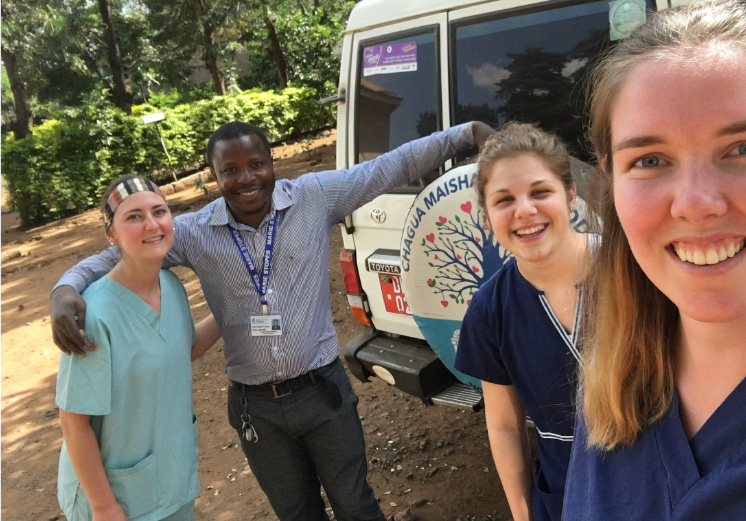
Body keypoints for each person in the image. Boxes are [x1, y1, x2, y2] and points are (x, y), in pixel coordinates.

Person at [51, 121, 494, 521]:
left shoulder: (315, 197)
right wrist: (65, 290)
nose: (246, 178)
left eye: (256, 164)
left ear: (272, 163)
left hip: (323, 391)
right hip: (255, 408)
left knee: (356, 504)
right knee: (296, 512)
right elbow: (116, 252)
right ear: (215, 175)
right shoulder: (194, 231)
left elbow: (389, 167)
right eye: (230, 169)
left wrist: (464, 134)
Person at [562, 2, 746, 520]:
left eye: (745, 147)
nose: (695, 203)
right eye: (649, 160)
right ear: (611, 182)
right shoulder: (613, 388)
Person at [56, 175, 220, 521]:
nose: (151, 224)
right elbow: (73, 423)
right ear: (111, 234)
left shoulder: (172, 286)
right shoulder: (95, 313)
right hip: (116, 499)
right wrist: (104, 507)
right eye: (134, 216)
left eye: (159, 211)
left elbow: (181, 349)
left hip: (170, 481)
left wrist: (232, 312)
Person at [454, 123, 595, 521]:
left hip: (660, 481)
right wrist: (522, 512)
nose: (525, 211)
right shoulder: (489, 311)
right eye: (504, 200)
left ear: (570, 195)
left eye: (540, 192)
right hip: (567, 495)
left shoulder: (630, 270)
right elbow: (505, 426)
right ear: (487, 215)